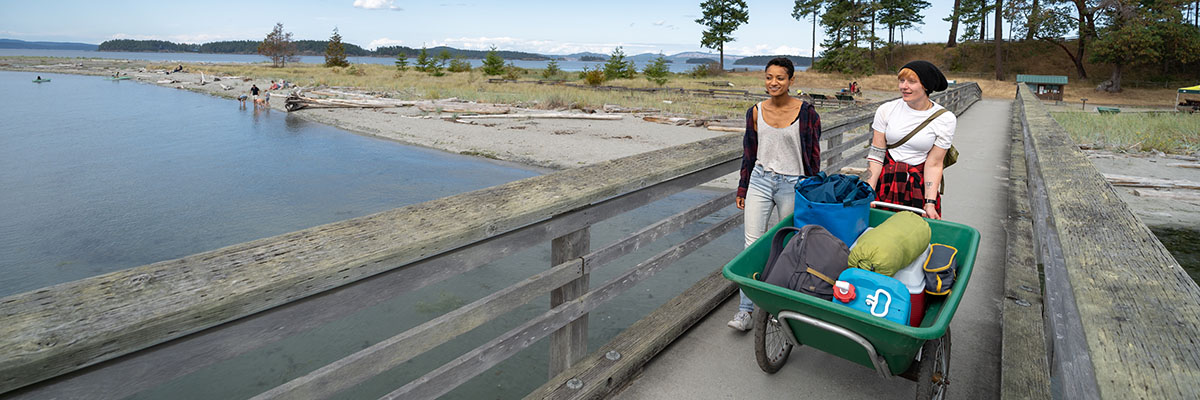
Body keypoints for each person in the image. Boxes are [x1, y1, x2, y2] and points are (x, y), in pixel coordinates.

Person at [728, 57, 822, 331]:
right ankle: (745, 311)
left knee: (792, 246)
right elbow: (748, 152)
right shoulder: (755, 111)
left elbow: (813, 156)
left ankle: (783, 311)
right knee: (751, 245)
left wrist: (812, 190)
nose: (773, 82)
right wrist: (743, 186)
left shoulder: (807, 113)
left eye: (780, 78)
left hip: (793, 184)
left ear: (792, 81)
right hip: (760, 180)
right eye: (769, 77)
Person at [864, 60, 956, 220]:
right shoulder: (886, 110)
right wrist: (869, 191)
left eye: (911, 81)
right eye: (901, 80)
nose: (903, 86)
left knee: (916, 235)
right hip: (887, 180)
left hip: (918, 184)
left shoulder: (945, 119)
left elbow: (934, 164)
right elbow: (877, 154)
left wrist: (930, 202)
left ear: (926, 86)